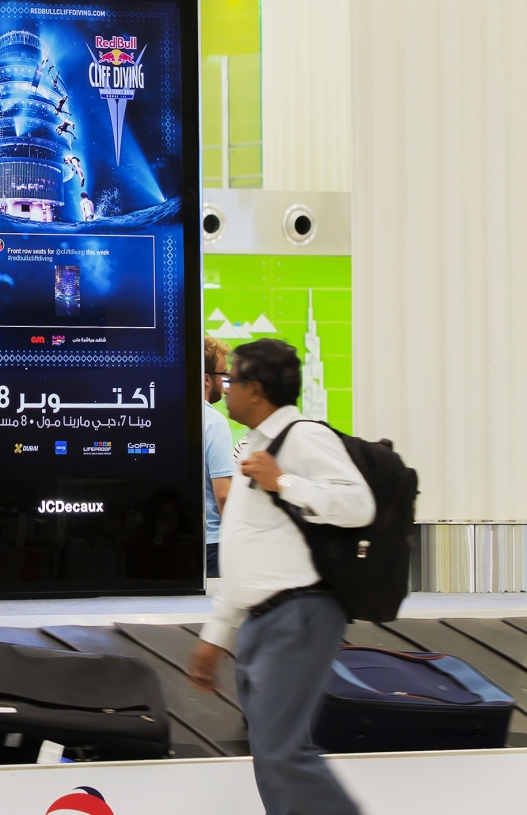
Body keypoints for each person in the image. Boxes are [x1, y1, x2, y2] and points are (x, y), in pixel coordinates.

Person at [187, 339, 373, 815]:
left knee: (283, 751)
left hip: (300, 614)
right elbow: (246, 545)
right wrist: (217, 634)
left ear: (257, 388)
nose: (224, 390)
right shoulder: (255, 445)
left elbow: (358, 505)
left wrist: (283, 482)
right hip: (261, 621)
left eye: (233, 381)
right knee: (269, 754)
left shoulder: (304, 438)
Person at [203, 336, 235, 578]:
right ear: (206, 379)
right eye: (222, 376)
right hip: (214, 543)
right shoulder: (213, 422)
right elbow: (223, 495)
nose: (226, 387)